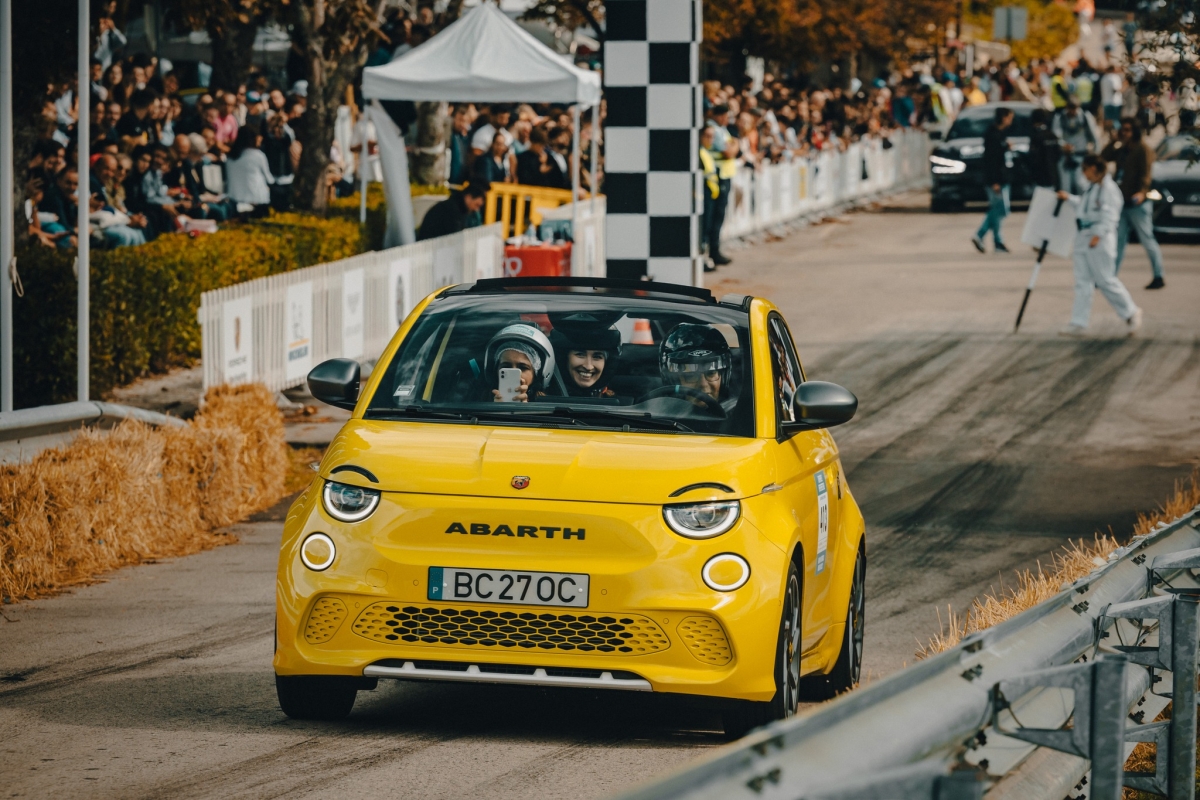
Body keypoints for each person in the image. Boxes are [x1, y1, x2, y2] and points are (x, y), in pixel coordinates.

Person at [1057, 154, 1142, 337]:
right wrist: (1069, 198)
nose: (1083, 174)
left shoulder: (1109, 189)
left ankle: (1131, 312)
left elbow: (1111, 215)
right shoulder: (1092, 187)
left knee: (1105, 279)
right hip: (1083, 234)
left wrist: (1099, 234)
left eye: (1085, 170)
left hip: (1098, 238)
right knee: (1082, 281)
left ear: (1093, 168)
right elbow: (1085, 207)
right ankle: (1078, 322)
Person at [1101, 118, 1165, 289]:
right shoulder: (1122, 149)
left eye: (1128, 130)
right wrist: (1113, 141)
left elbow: (1146, 174)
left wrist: (1142, 192)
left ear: (1135, 131)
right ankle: (1110, 277)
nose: (1125, 133)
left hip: (1138, 203)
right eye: (1123, 129)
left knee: (1147, 239)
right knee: (1118, 242)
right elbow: (1104, 157)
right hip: (1122, 201)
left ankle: (1158, 275)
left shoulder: (1143, 149)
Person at [659, 323, 732, 410]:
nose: (703, 385)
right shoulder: (658, 413)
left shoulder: (735, 413)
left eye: (711, 373)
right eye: (691, 375)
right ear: (673, 381)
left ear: (723, 378)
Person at [548, 313, 620, 398]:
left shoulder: (625, 404)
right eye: (580, 354)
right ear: (564, 358)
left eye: (597, 357)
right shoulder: (541, 398)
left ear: (607, 363)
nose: (588, 367)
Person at [972, 107, 1013, 254]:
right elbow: (991, 161)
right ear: (1003, 118)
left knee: (999, 210)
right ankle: (984, 236)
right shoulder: (992, 136)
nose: (1011, 121)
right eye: (1009, 118)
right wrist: (994, 181)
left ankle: (995, 241)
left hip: (1002, 177)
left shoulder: (1001, 134)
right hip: (996, 180)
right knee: (999, 209)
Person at [486, 323, 556, 403]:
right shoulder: (481, 401)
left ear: (537, 374)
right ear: (495, 371)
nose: (513, 372)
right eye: (506, 366)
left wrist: (525, 408)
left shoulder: (547, 405)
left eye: (523, 367)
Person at [705, 105, 739, 266]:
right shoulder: (715, 130)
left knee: (717, 216)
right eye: (725, 116)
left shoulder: (721, 129)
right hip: (718, 176)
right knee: (714, 216)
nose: (727, 120)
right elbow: (729, 152)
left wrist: (733, 145)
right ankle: (712, 251)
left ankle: (714, 250)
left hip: (722, 175)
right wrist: (735, 144)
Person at [225, 126, 274, 218]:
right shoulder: (258, 155)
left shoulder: (230, 156)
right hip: (257, 199)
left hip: (235, 198)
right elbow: (269, 179)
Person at [1053, 98, 1099, 195]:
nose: (1072, 112)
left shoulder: (1085, 117)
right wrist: (1063, 145)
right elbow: (1056, 136)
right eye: (1070, 109)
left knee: (1081, 185)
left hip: (1081, 156)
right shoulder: (1060, 117)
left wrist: (1096, 155)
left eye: (1074, 109)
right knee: (1065, 187)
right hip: (1066, 157)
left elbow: (1094, 136)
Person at [417, 182, 487, 241]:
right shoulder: (451, 211)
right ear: (468, 197)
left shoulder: (454, 207)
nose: (476, 210)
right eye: (476, 205)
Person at [698, 125, 720, 271]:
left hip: (710, 193)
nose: (710, 139)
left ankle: (705, 258)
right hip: (703, 194)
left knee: (708, 227)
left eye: (712, 136)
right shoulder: (699, 152)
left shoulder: (706, 152)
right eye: (707, 136)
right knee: (703, 229)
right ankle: (702, 260)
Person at [1028, 108, 1062, 189]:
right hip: (1053, 174)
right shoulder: (1052, 135)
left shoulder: (1036, 136)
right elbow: (1058, 155)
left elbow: (1033, 157)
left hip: (1040, 177)